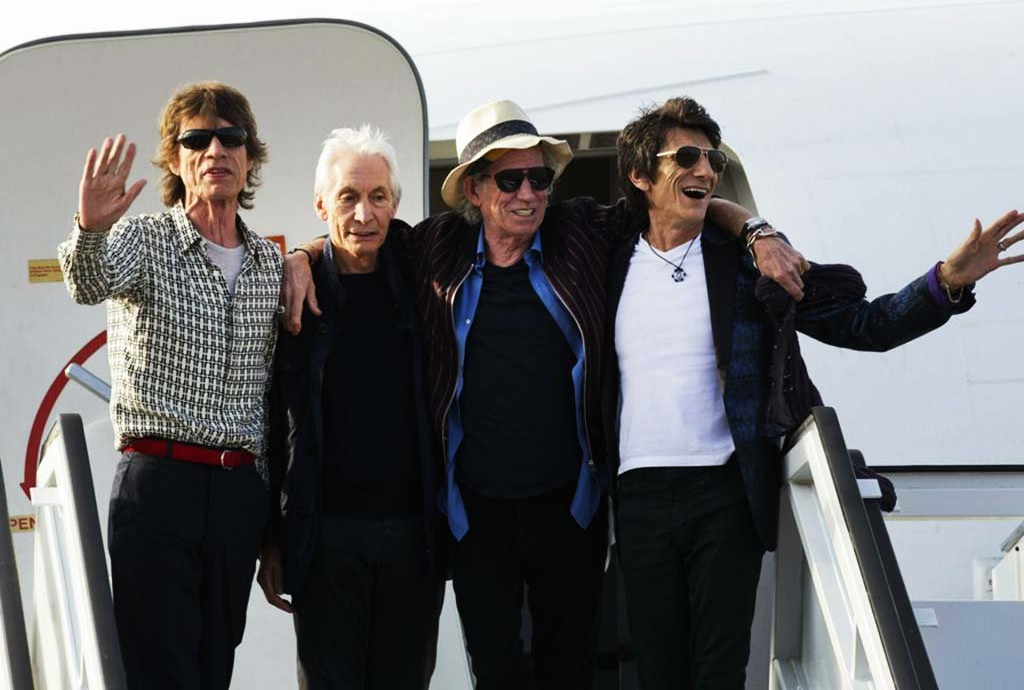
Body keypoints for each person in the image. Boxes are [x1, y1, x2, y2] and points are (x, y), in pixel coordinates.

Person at [281, 100, 804, 689]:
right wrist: (303, 255)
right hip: (477, 516)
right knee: (497, 674)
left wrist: (756, 231)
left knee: (569, 671)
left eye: (539, 178)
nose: (529, 194)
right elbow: (359, 234)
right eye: (510, 180)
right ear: (474, 190)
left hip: (568, 508)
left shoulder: (578, 231)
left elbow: (673, 203)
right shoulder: (435, 248)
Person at [603, 96, 1024, 690]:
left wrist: (945, 283)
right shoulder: (606, 258)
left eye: (713, 160)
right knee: (656, 667)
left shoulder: (749, 267)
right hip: (638, 491)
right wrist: (753, 224)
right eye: (687, 157)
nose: (705, 170)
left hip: (724, 490)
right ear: (641, 175)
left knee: (719, 668)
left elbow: (865, 325)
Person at [57, 82, 282, 689]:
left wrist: (270, 527)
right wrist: (90, 227)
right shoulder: (144, 238)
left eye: (231, 137)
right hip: (158, 486)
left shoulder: (271, 264)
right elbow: (86, 281)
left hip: (238, 493)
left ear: (250, 157)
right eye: (197, 139)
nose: (216, 150)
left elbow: (271, 401)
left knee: (214, 669)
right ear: (176, 161)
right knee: (159, 672)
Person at [256, 126, 445, 689]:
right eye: (348, 197)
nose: (365, 213)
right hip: (325, 541)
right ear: (321, 206)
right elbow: (270, 424)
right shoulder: (294, 295)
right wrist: (271, 539)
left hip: (414, 539)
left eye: (378, 196)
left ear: (396, 204)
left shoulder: (424, 279)